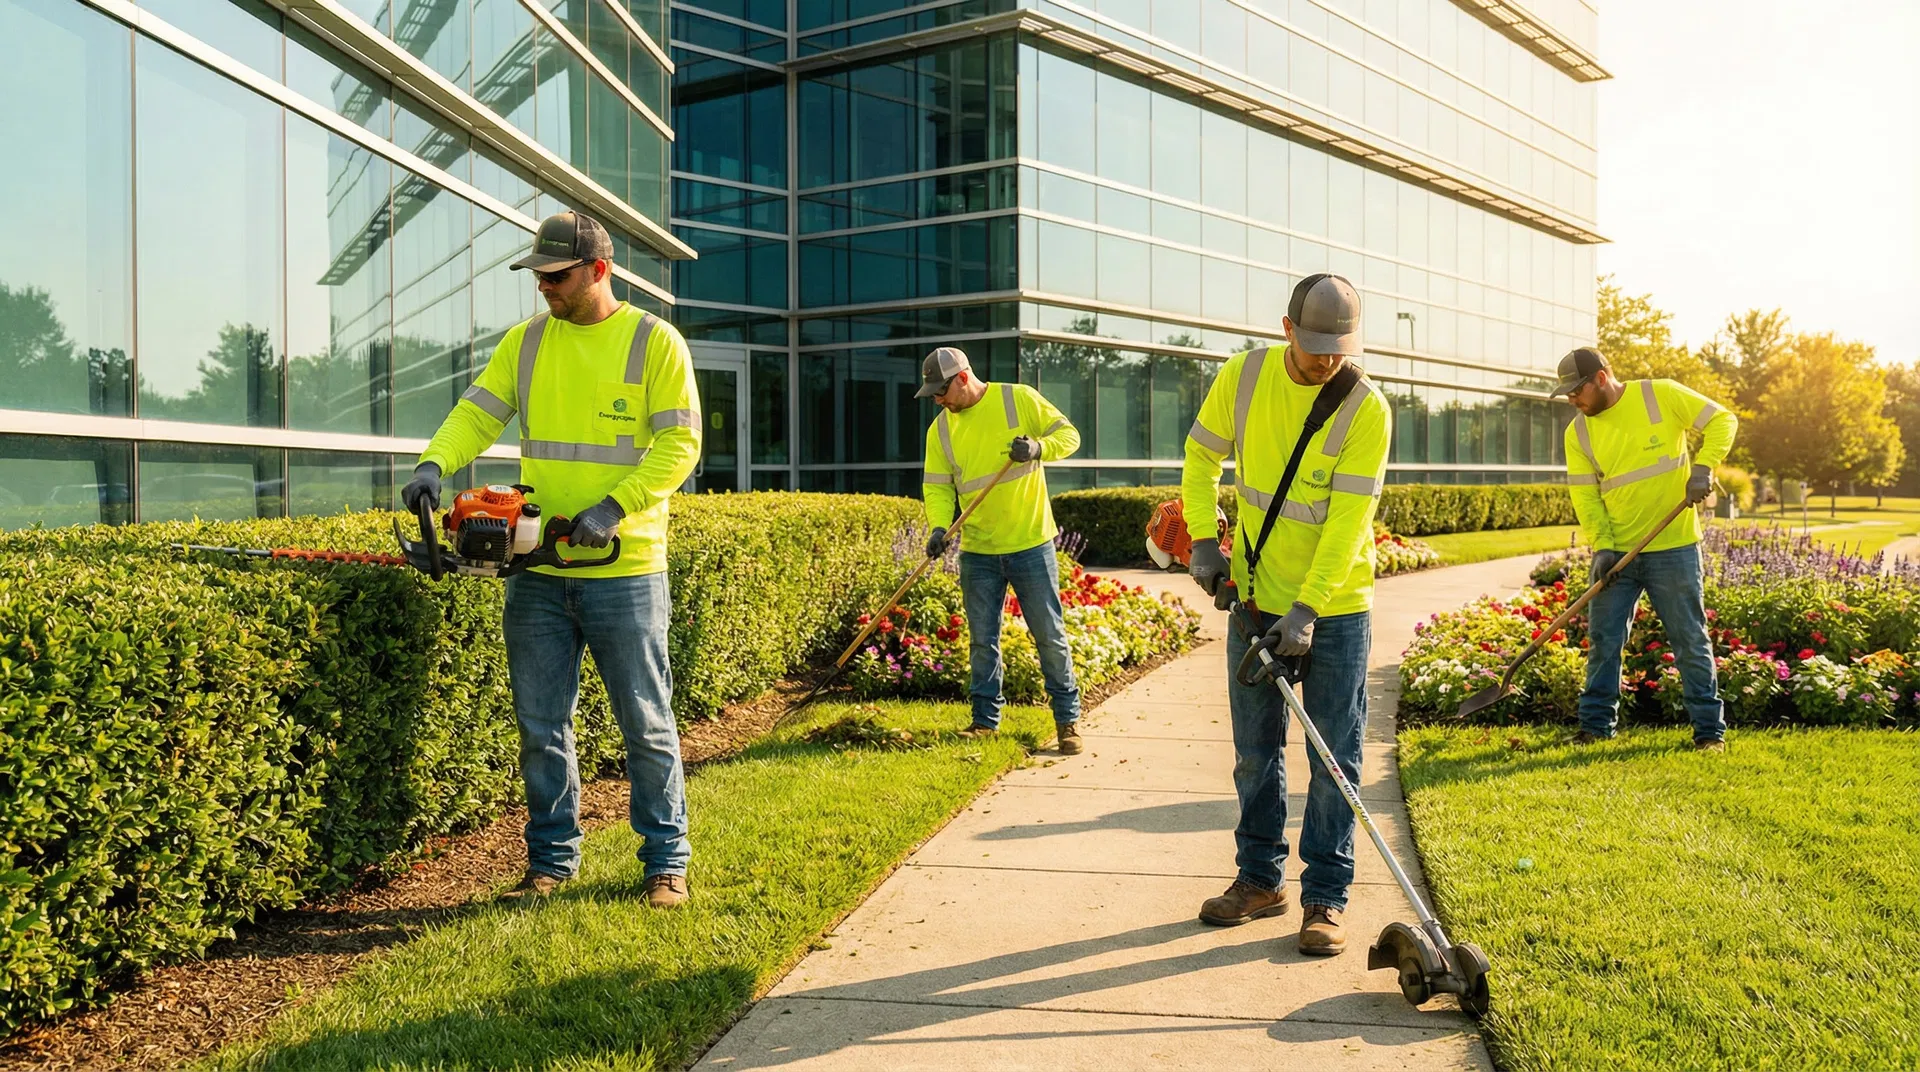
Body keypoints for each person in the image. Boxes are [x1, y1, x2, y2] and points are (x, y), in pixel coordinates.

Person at [403, 211, 702, 907]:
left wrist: (614, 507)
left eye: (556, 276)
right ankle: (551, 862)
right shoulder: (526, 342)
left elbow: (679, 446)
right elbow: (477, 413)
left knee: (646, 724)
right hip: (536, 571)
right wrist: (432, 463)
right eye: (538, 276)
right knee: (541, 726)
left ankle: (666, 863)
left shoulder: (655, 343)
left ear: (599, 269)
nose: (544, 288)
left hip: (624, 572)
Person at [1181, 274, 1392, 956]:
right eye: (1313, 347)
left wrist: (1308, 609)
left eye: (1338, 348)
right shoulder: (1243, 378)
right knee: (1254, 753)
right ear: (1286, 328)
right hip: (1253, 598)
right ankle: (1258, 880)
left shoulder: (1366, 409)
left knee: (1333, 758)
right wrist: (1205, 540)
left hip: (1334, 609)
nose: (1326, 360)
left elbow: (1345, 524)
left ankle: (1325, 898)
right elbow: (1200, 456)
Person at [1550, 346, 1738, 751]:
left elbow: (1724, 419)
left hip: (1673, 547)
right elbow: (1586, 497)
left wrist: (1703, 467)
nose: (1572, 399)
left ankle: (1709, 733)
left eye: (1576, 390)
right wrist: (1602, 547)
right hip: (1617, 553)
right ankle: (1595, 727)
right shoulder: (1578, 433)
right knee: (1604, 641)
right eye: (1567, 394)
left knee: (1689, 639)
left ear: (1601, 378)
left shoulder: (1661, 395)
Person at [917, 347, 1084, 753]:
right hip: (978, 550)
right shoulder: (940, 432)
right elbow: (938, 486)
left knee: (1049, 636)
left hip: (1030, 544)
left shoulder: (1018, 398)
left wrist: (1038, 448)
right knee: (982, 640)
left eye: (940, 391)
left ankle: (1068, 722)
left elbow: (1070, 435)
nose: (937, 400)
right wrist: (939, 527)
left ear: (962, 377)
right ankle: (984, 722)